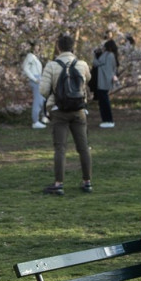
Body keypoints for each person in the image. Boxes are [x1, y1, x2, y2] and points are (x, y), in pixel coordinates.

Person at [38, 33, 93, 195]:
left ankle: (59, 183)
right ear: (72, 47)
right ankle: (87, 182)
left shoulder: (51, 66)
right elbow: (87, 80)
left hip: (59, 111)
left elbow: (43, 90)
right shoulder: (82, 64)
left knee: (60, 148)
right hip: (78, 110)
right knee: (83, 147)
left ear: (58, 47)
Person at [92, 39, 118, 128]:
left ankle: (107, 119)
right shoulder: (113, 55)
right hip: (107, 80)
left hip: (102, 80)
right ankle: (107, 120)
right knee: (104, 100)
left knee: (104, 101)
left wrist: (95, 56)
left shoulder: (107, 55)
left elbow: (96, 63)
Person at [21, 43, 46, 129]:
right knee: (38, 100)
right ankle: (35, 121)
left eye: (38, 46)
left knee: (42, 99)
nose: (38, 48)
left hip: (38, 78)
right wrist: (34, 79)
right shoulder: (30, 56)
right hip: (35, 79)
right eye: (36, 46)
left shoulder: (34, 57)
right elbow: (25, 68)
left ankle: (43, 117)